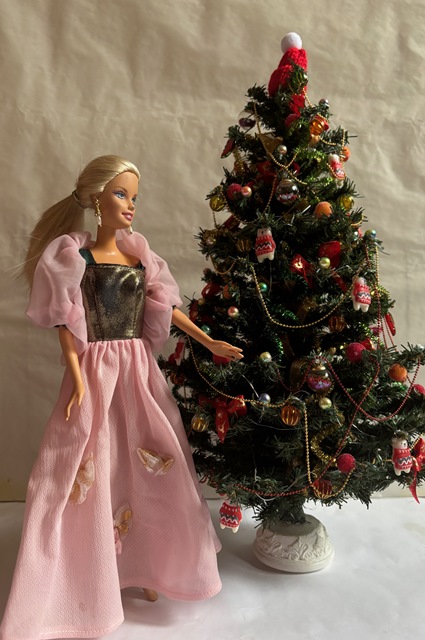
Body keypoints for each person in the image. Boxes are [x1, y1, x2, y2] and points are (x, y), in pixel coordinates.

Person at [0, 155, 243, 640]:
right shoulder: (76, 257)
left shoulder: (139, 257)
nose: (131, 205)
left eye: (134, 196)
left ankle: (146, 563)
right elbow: (65, 322)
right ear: (96, 199)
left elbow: (166, 308)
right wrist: (77, 376)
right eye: (120, 194)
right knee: (89, 463)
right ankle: (88, 575)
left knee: (150, 459)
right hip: (95, 369)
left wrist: (208, 341)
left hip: (137, 370)